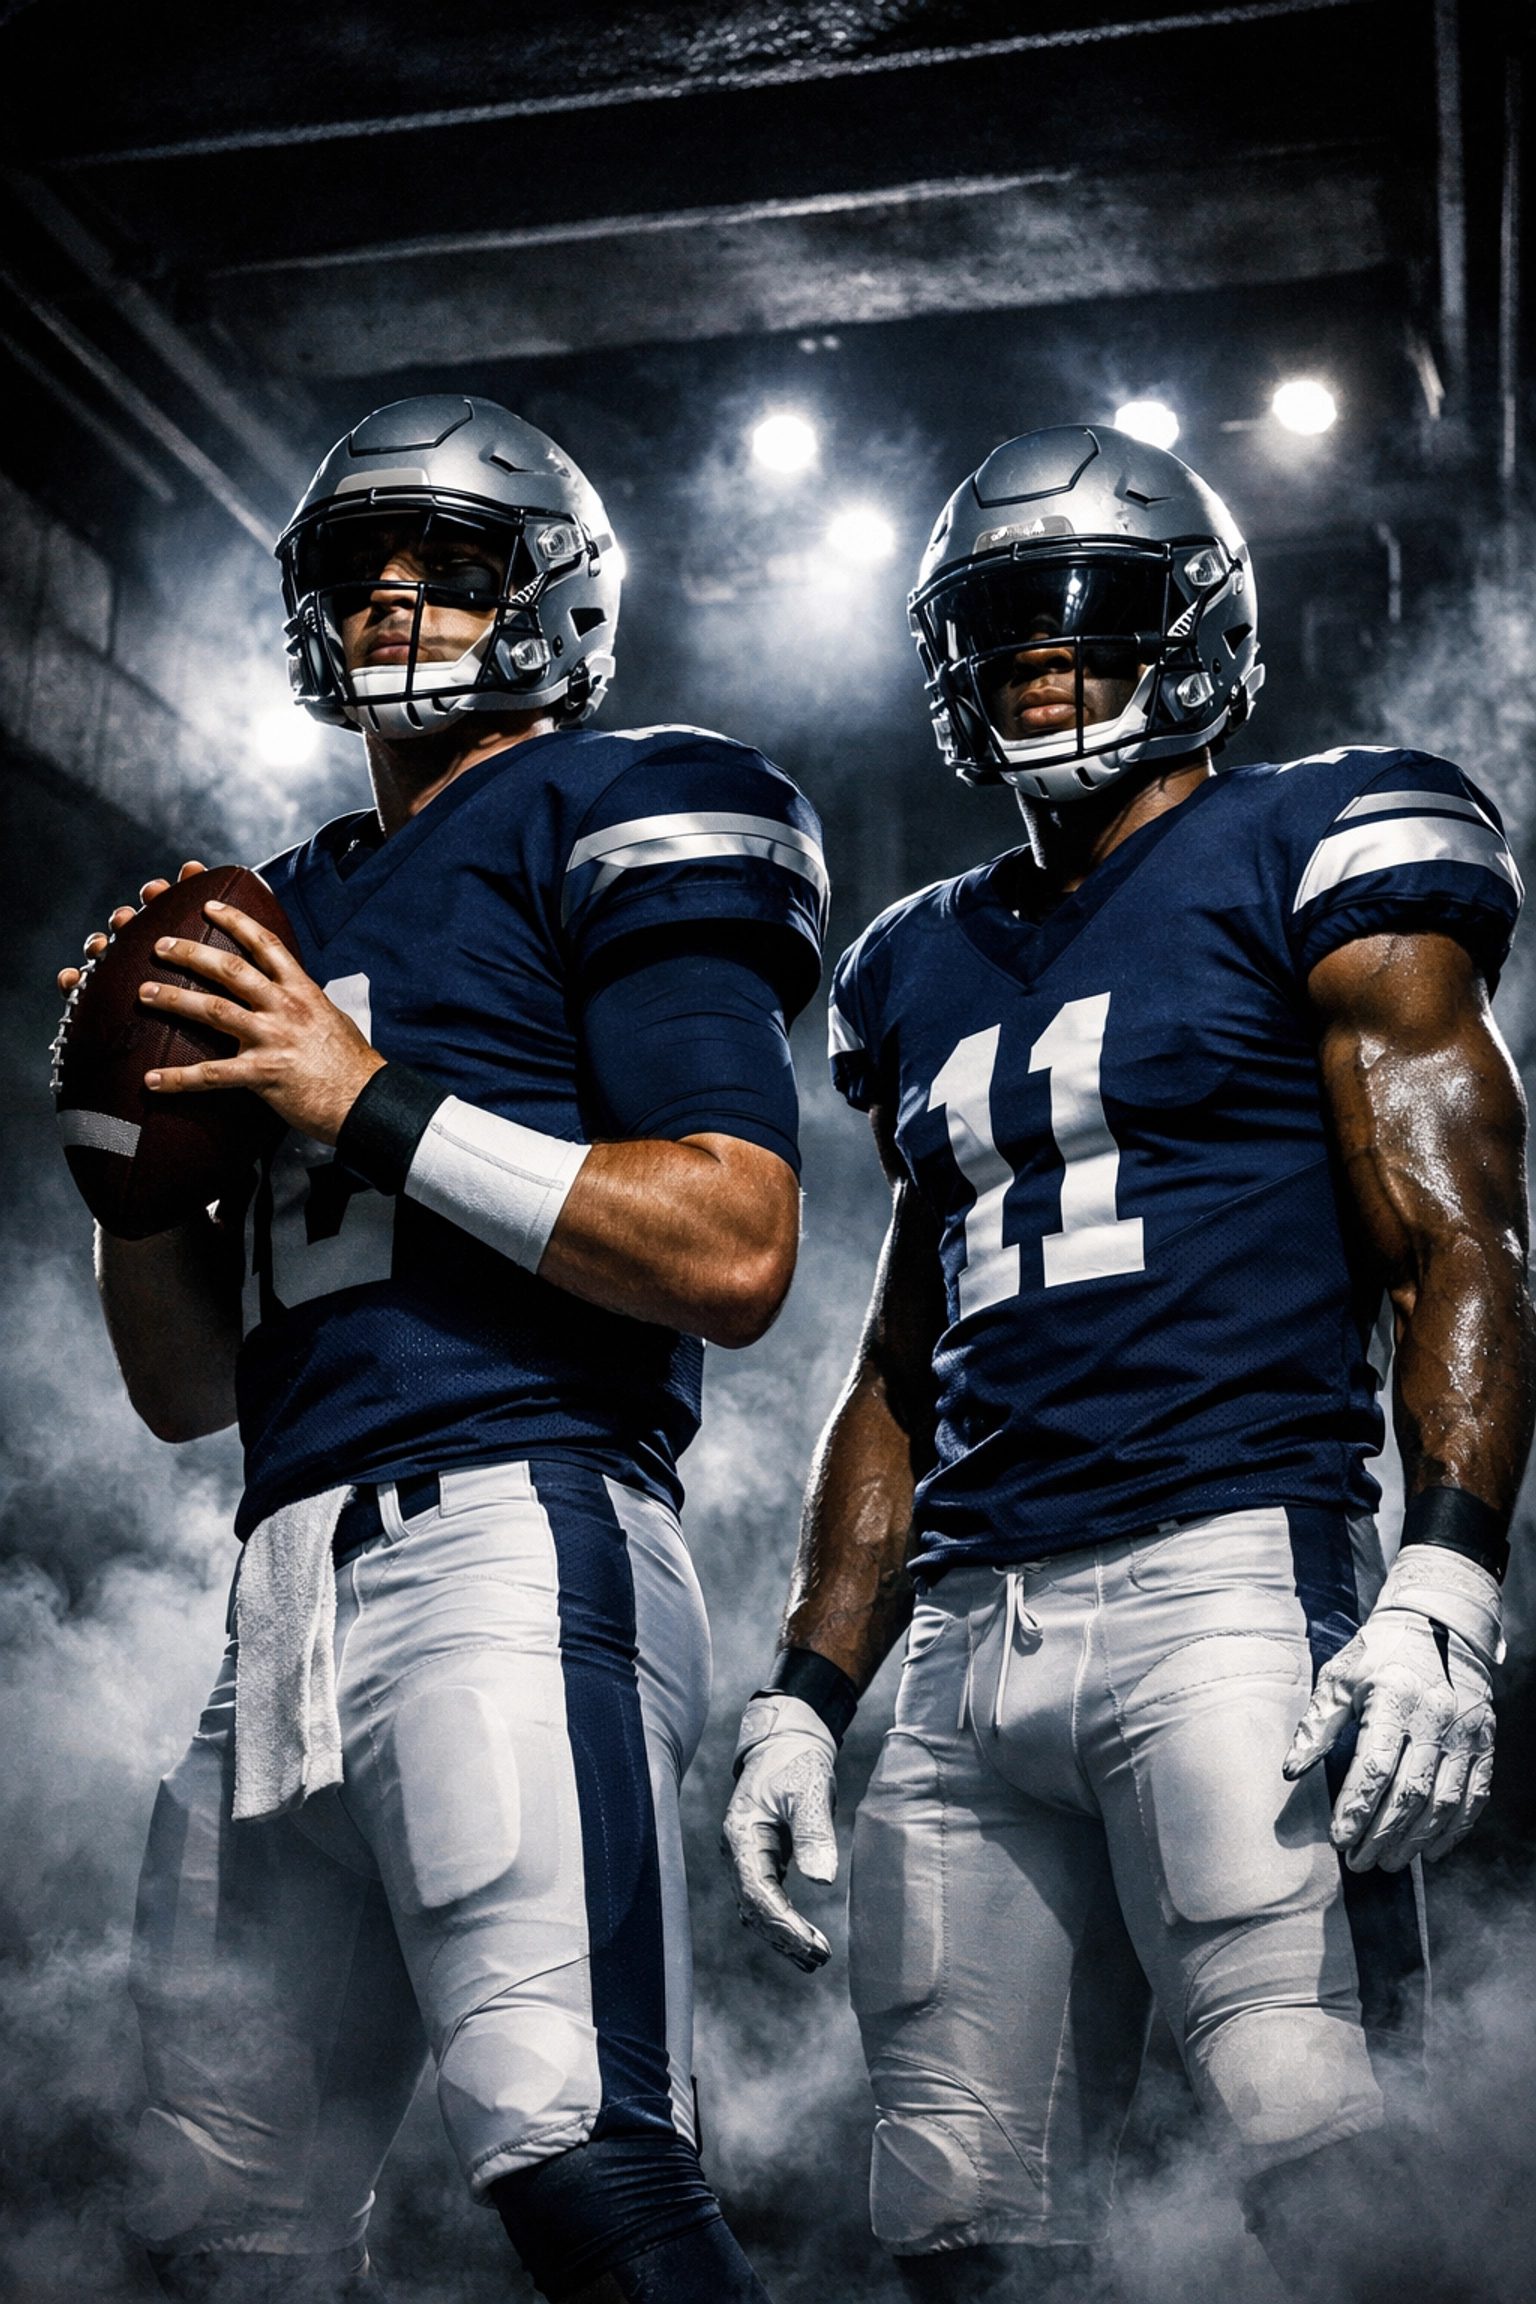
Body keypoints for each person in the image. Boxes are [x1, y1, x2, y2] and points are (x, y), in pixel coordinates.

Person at [721, 423, 1532, 2304]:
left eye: (1092, 626)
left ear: (1207, 638)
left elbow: (1460, 1235)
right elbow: (903, 1359)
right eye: (1004, 635)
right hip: (961, 1634)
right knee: (949, 2210)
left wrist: (1447, 1574)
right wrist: (799, 1692)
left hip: (1228, 1575)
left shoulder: (1314, 841)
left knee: (1311, 2120)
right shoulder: (918, 958)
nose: (1045, 667)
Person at [60, 394, 828, 2304]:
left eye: (453, 565)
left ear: (557, 597)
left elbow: (734, 1244)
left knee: (580, 2157)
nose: (397, 600)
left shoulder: (612, 800)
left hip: (510, 1531)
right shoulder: (276, 901)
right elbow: (180, 1389)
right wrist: (125, 1165)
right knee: (210, 2228)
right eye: (359, 571)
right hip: (277, 1582)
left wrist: (363, 1093)